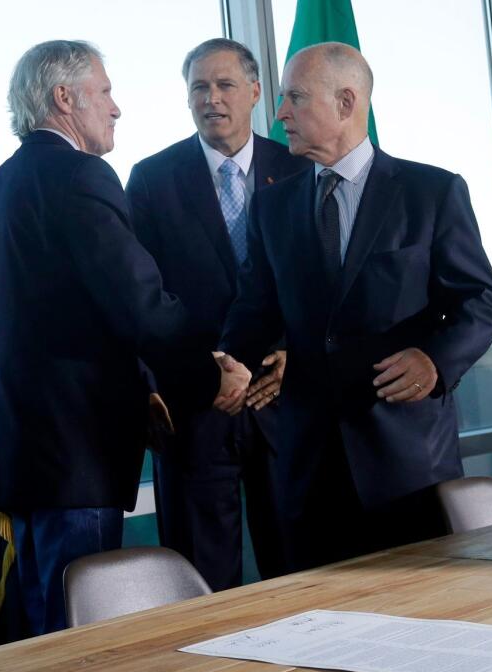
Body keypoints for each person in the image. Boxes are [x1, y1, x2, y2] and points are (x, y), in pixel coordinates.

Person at [0, 40, 250, 636]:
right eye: (106, 93)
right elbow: (139, 303)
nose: (116, 109)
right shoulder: (81, 177)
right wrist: (209, 376)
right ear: (65, 98)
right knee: (84, 641)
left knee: (45, 630)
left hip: (22, 457)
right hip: (76, 457)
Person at [219, 42, 492, 572]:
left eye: (295, 98)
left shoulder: (431, 192)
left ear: (346, 103)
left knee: (426, 627)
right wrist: (227, 360)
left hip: (408, 466)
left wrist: (435, 361)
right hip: (307, 469)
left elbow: (482, 301)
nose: (279, 113)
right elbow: (255, 307)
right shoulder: (272, 204)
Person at [126, 38, 309, 590]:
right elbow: (139, 298)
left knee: (302, 571)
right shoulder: (151, 179)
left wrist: (288, 347)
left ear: (255, 92)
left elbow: (324, 283)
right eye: (199, 87)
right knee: (202, 584)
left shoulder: (300, 170)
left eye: (225, 84)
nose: (212, 98)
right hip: (197, 409)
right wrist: (189, 375)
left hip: (283, 404)